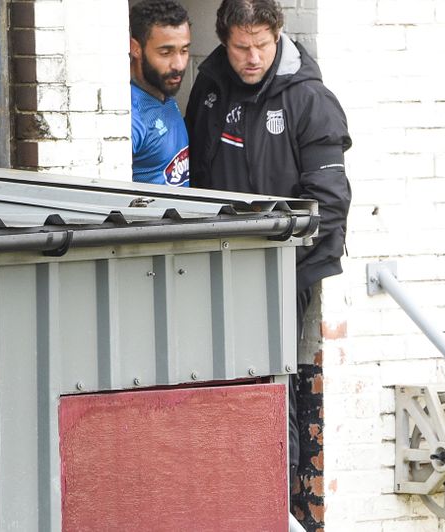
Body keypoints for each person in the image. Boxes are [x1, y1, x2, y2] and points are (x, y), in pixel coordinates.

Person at [184, 0, 352, 490]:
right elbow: (196, 181)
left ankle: (278, 493)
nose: (252, 57)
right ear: (224, 42)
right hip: (215, 265)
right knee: (217, 377)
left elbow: (330, 203)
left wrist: (281, 266)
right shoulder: (210, 88)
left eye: (262, 45)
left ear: (278, 35)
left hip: (283, 270)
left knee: (271, 379)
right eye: (242, 47)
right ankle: (231, 489)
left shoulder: (309, 99)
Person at [129, 0, 191, 186]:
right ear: (136, 48)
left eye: (184, 50)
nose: (179, 65)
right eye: (166, 53)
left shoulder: (162, 90)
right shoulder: (131, 115)